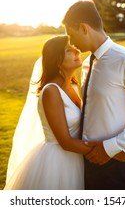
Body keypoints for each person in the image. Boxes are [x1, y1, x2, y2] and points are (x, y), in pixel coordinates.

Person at [62, 0, 125, 190]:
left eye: (71, 34)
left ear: (84, 28)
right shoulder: (85, 64)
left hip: (113, 165)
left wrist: (112, 148)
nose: (71, 42)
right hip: (84, 161)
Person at [4, 35, 93, 190]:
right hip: (57, 162)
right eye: (69, 50)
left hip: (75, 157)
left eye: (75, 48)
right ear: (56, 59)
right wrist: (107, 152)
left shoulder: (71, 86)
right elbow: (65, 142)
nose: (77, 51)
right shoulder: (51, 91)